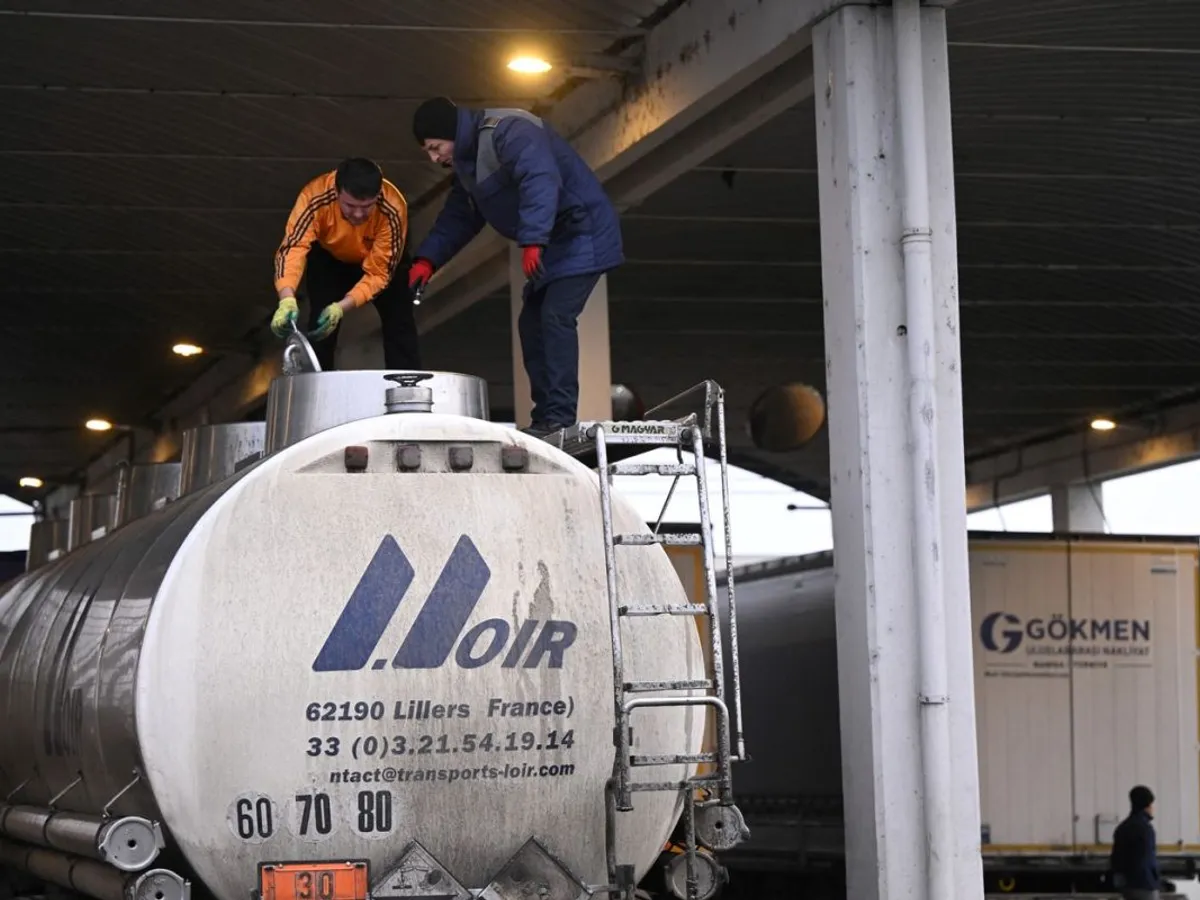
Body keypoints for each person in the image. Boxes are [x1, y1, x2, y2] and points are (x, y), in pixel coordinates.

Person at [407, 96, 624, 437]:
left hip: (581, 232)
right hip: (552, 243)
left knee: (555, 316)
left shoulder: (509, 131)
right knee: (531, 322)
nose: (435, 158)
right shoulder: (468, 164)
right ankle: (546, 417)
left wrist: (533, 240)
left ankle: (560, 418)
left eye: (435, 147)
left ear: (450, 133)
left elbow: (540, 178)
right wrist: (426, 260)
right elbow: (459, 218)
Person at [270, 157, 420, 371]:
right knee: (319, 323)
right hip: (330, 257)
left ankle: (407, 384)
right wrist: (286, 298)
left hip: (379, 260)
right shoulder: (314, 196)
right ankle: (317, 383)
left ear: (378, 196)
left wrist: (341, 307)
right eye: (350, 206)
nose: (358, 214)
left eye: (367, 207)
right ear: (336, 191)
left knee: (400, 319)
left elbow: (379, 273)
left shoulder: (393, 207)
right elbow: (293, 247)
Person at [1109, 785, 1161, 899]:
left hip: (1128, 886)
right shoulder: (1146, 829)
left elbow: (1116, 859)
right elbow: (1149, 859)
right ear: (1147, 805)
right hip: (1145, 884)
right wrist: (1155, 880)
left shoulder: (1122, 827)